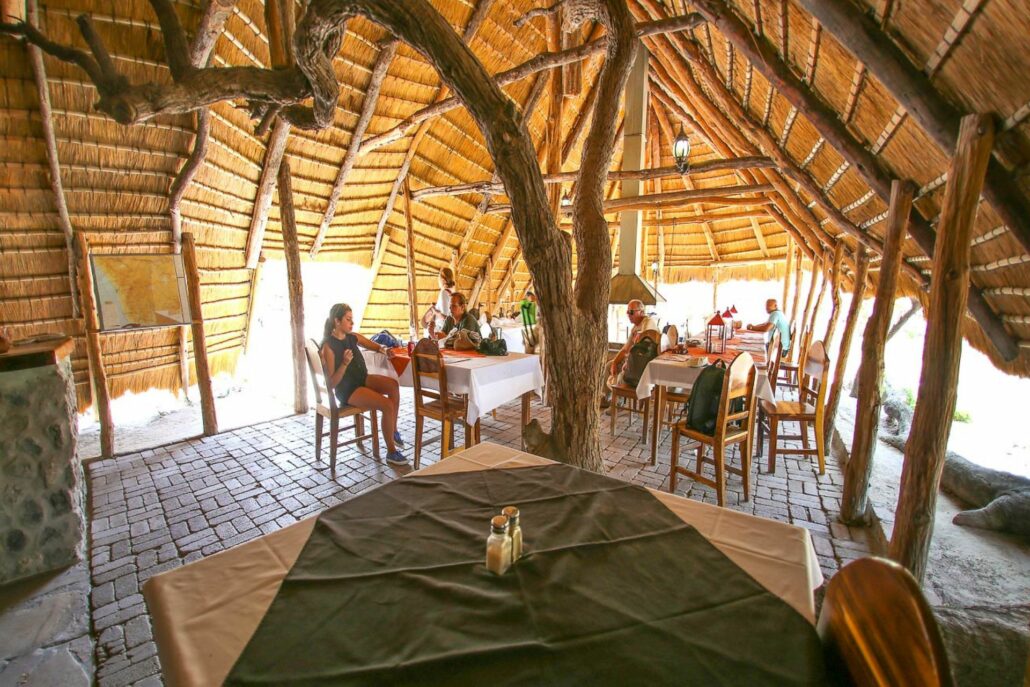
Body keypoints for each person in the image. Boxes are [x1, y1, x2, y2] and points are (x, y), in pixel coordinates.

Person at [321, 303, 407, 466]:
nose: (351, 323)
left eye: (352, 319)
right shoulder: (329, 346)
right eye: (348, 319)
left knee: (393, 385)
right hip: (348, 390)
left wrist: (384, 350)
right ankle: (391, 452)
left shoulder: (352, 337)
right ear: (337, 321)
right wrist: (344, 364)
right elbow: (331, 384)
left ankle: (393, 430)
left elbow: (373, 345)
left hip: (362, 379)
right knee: (387, 405)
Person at [608, 299, 659, 382]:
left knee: (618, 379)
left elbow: (642, 347)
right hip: (634, 362)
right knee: (609, 366)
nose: (628, 314)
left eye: (631, 312)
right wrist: (615, 362)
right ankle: (605, 393)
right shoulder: (634, 328)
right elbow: (625, 349)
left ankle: (619, 389)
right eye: (627, 312)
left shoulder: (648, 322)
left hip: (643, 366)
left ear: (641, 312)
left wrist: (627, 362)